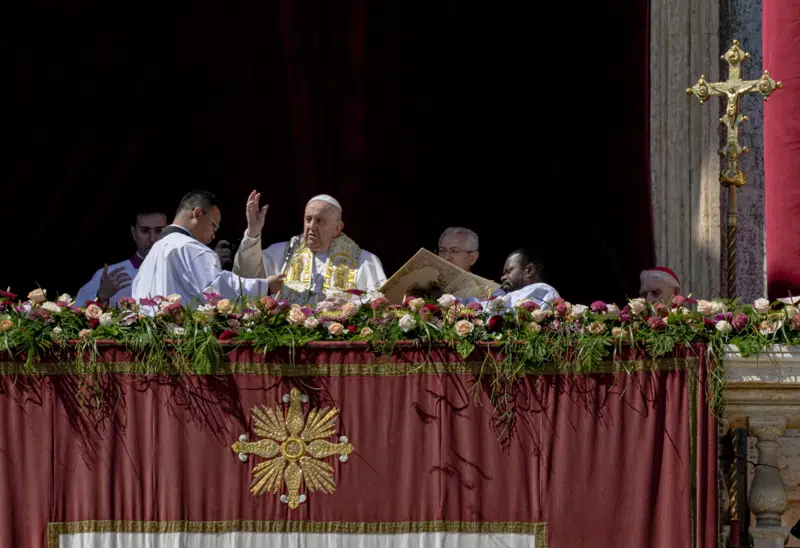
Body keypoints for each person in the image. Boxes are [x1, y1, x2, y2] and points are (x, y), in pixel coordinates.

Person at [132, 190, 283, 308]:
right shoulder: (190, 248)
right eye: (213, 226)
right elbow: (216, 289)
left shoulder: (151, 256)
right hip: (181, 342)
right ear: (197, 214)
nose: (213, 236)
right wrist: (265, 287)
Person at [233, 192, 386, 306]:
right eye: (308, 219)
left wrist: (350, 305)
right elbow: (245, 279)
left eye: (320, 221)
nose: (312, 226)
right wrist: (253, 233)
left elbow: (380, 302)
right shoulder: (282, 253)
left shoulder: (364, 261)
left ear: (337, 228)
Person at [75, 210, 168, 307]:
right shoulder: (108, 276)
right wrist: (101, 297)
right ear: (133, 233)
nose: (152, 239)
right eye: (144, 231)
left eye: (159, 231)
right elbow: (75, 315)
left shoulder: (181, 273)